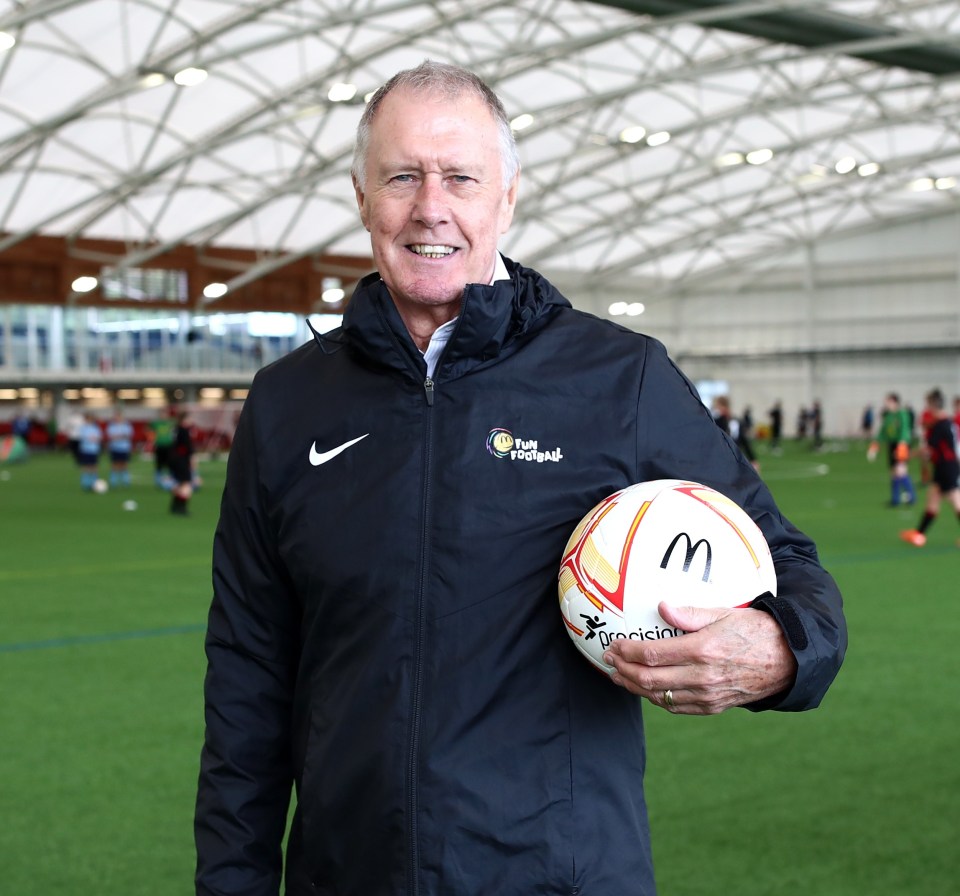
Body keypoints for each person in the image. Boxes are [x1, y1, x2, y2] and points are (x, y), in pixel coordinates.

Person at [194, 62, 846, 896]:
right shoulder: (289, 403)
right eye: (402, 176)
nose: (432, 206)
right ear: (363, 198)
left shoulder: (619, 378)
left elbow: (789, 563)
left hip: (564, 876)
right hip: (345, 874)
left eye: (461, 176)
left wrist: (782, 651)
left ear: (506, 197)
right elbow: (247, 675)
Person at [900, 388, 960, 546]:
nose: (926, 407)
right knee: (933, 498)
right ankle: (919, 535)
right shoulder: (946, 422)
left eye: (927, 404)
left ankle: (920, 534)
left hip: (948, 467)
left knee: (956, 501)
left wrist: (908, 455)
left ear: (934, 404)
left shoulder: (941, 424)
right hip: (943, 466)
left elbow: (928, 448)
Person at [868, 391, 915, 507]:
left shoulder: (902, 414)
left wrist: (902, 446)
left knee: (900, 470)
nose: (886, 404)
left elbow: (904, 430)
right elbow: (882, 433)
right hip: (892, 444)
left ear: (894, 401)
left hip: (902, 444)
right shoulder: (888, 416)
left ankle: (911, 497)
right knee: (893, 472)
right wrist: (874, 446)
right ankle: (895, 499)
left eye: (888, 401)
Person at [712, 394, 759, 472]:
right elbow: (744, 441)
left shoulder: (718, 421)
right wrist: (753, 459)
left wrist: (752, 459)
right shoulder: (733, 420)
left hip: (727, 459)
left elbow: (743, 440)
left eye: (717, 406)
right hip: (730, 458)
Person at [168, 410, 194, 515]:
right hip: (182, 460)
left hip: (173, 459)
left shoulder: (175, 429)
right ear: (185, 419)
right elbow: (188, 448)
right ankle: (182, 507)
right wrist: (192, 461)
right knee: (186, 484)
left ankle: (174, 506)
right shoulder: (184, 431)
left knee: (179, 483)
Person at [105, 408, 134, 488]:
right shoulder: (111, 426)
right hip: (114, 447)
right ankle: (113, 481)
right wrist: (120, 436)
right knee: (114, 464)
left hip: (124, 447)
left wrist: (119, 436)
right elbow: (111, 436)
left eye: (118, 416)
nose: (117, 418)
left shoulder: (127, 425)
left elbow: (128, 435)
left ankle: (125, 480)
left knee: (124, 464)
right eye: (116, 416)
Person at [76, 412, 103, 491]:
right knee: (86, 466)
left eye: (91, 419)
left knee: (94, 466)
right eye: (88, 419)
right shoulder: (83, 428)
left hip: (94, 450)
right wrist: (92, 438)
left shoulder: (96, 428)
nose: (90, 420)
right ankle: (85, 482)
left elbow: (99, 437)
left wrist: (95, 438)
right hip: (86, 449)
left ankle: (95, 483)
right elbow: (85, 437)